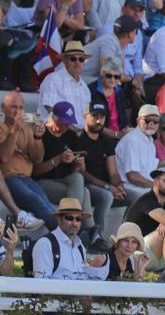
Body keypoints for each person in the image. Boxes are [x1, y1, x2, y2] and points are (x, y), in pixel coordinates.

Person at [34, 102, 108, 249]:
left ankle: (80, 231)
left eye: (68, 123)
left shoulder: (71, 135)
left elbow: (75, 171)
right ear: (53, 117)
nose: (66, 126)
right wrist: (58, 159)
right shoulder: (43, 134)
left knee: (80, 182)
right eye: (63, 122)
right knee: (84, 191)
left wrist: (78, 164)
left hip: (65, 180)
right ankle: (86, 233)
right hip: (43, 181)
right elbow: (36, 171)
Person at [0, 91, 53, 230]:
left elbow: (37, 159)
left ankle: (64, 235)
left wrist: (38, 138)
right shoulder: (1, 127)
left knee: (47, 205)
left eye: (21, 107)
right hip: (10, 178)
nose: (17, 111)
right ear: (2, 108)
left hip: (27, 178)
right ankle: (65, 235)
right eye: (13, 107)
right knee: (36, 201)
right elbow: (4, 157)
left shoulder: (26, 128)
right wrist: (14, 130)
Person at [79, 101, 125, 247]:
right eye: (95, 116)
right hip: (87, 185)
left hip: (106, 186)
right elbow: (82, 173)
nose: (99, 121)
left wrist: (119, 186)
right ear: (85, 116)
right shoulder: (78, 139)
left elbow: (113, 173)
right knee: (106, 196)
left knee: (135, 196)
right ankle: (97, 238)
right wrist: (107, 187)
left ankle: (126, 238)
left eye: (102, 117)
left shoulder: (107, 140)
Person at [95, 0, 148, 101]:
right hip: (109, 80)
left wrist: (138, 84)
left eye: (140, 10)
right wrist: (132, 81)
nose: (136, 13)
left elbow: (138, 68)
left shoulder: (139, 35)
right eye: (133, 9)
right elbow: (106, 69)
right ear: (123, 9)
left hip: (128, 81)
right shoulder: (108, 31)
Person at [38, 41, 92, 128]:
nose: (77, 62)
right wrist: (75, 130)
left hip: (80, 131)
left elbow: (87, 115)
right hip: (56, 130)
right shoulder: (53, 80)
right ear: (64, 60)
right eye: (73, 59)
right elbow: (52, 112)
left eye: (81, 59)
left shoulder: (85, 88)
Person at [116, 103, 162, 199]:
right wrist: (156, 186)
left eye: (155, 121)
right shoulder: (132, 141)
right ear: (138, 121)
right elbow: (133, 177)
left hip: (145, 188)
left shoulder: (150, 141)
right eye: (147, 120)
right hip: (130, 189)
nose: (151, 124)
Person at [82, 14, 139, 86]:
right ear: (130, 34)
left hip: (87, 80)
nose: (136, 34)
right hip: (78, 80)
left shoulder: (119, 45)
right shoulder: (109, 42)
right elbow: (108, 73)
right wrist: (131, 80)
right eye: (135, 32)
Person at [88, 56, 135, 138]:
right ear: (102, 74)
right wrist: (115, 134)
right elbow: (93, 122)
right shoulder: (92, 90)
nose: (113, 80)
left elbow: (124, 117)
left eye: (116, 77)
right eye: (109, 76)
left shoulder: (119, 91)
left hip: (119, 133)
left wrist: (126, 129)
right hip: (100, 135)